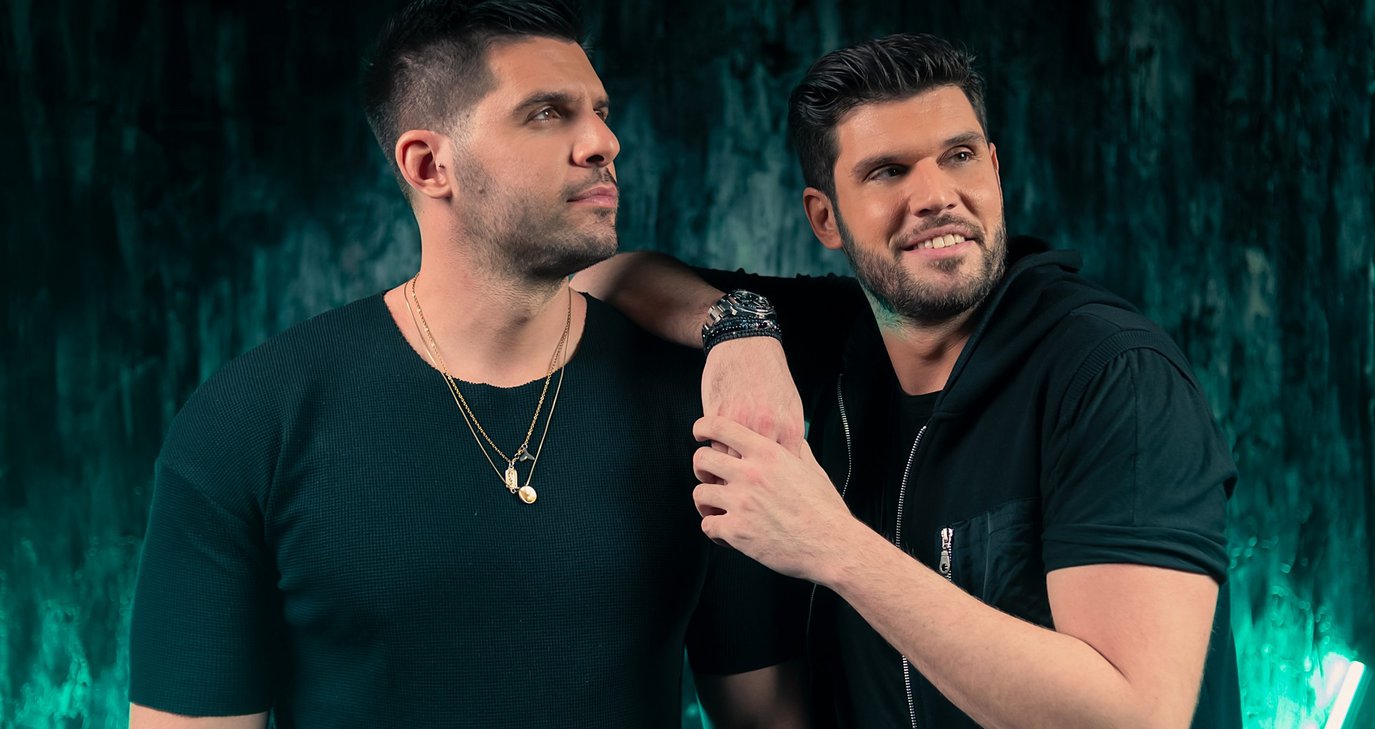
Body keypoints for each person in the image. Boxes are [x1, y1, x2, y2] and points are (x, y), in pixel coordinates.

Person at [126, 2, 809, 727]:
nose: (603, 142)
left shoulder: (700, 409)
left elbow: (767, 714)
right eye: (546, 114)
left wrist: (744, 331)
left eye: (600, 112)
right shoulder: (250, 419)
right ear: (429, 165)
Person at [577, 33, 1240, 728]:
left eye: (958, 156)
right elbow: (606, 275)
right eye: (888, 172)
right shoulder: (843, 338)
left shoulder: (1110, 373)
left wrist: (833, 544)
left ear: (993, 169)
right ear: (825, 217)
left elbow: (1136, 717)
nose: (936, 196)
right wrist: (740, 330)